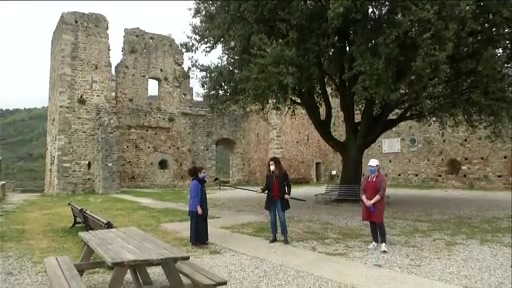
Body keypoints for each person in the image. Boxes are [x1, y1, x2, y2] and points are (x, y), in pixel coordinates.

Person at [259, 156, 292, 244]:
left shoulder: (283, 173)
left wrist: (287, 194)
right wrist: (261, 190)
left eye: (272, 164)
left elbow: (288, 185)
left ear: (276, 164)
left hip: (280, 199)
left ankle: (285, 236)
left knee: (282, 218)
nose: (271, 166)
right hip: (271, 200)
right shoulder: (269, 175)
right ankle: (274, 235)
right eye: (270, 165)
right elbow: (267, 186)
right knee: (272, 219)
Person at [361, 158, 388, 253]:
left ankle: (383, 243)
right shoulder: (366, 178)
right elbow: (362, 190)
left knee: (379, 222)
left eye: (373, 166)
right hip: (368, 204)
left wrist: (372, 201)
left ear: (377, 167)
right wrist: (366, 201)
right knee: (372, 222)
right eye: (370, 166)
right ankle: (375, 241)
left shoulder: (381, 179)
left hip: (377, 204)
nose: (371, 168)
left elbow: (381, 192)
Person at [188, 165, 209, 247]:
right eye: (203, 173)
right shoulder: (195, 183)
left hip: (202, 205)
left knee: (202, 224)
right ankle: (195, 241)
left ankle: (202, 240)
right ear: (199, 174)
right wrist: (198, 207)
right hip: (196, 208)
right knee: (196, 224)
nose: (205, 174)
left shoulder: (201, 183)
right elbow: (194, 196)